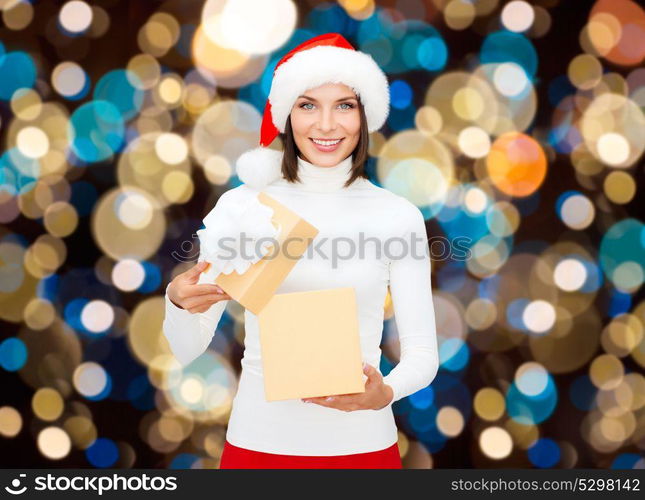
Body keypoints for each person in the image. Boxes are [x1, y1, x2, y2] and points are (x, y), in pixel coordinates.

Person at [163, 33, 439, 469]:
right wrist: (179, 304)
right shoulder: (245, 207)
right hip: (257, 449)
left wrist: (385, 391)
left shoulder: (396, 216)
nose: (326, 125)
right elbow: (186, 349)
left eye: (344, 105)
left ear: (365, 114)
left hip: (364, 451)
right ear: (286, 114)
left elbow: (423, 353)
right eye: (308, 105)